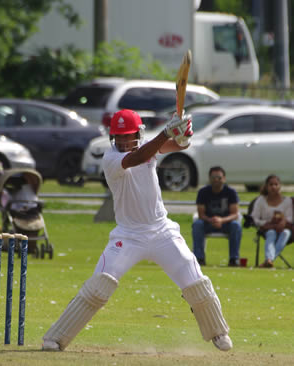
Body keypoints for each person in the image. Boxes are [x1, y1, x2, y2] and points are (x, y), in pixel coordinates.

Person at [42, 109, 232, 352]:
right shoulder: (112, 159)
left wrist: (183, 136)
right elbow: (137, 158)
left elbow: (177, 147)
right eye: (118, 137)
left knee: (193, 277)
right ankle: (56, 337)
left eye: (127, 136)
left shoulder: (148, 146)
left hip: (162, 230)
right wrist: (166, 132)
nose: (122, 141)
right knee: (100, 283)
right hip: (128, 235)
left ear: (138, 133)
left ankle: (218, 331)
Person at [192, 166, 242, 267]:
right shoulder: (203, 192)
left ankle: (234, 259)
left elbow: (235, 214)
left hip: (226, 223)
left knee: (236, 226)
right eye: (213, 177)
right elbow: (201, 214)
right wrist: (211, 220)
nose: (216, 180)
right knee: (197, 224)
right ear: (209, 179)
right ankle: (199, 258)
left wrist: (221, 220)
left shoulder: (231, 192)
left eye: (219, 177)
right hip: (207, 223)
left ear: (224, 178)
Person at [251, 175, 293, 268]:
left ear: (280, 186)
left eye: (276, 184)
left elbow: (290, 218)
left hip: (284, 229)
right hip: (267, 229)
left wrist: (283, 222)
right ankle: (270, 259)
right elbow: (255, 218)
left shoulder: (287, 201)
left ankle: (269, 260)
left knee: (286, 233)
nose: (273, 187)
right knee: (271, 233)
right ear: (266, 186)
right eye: (271, 184)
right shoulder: (260, 200)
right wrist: (267, 224)